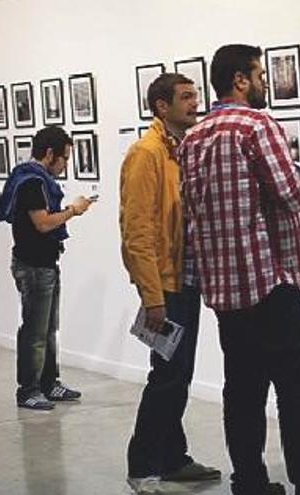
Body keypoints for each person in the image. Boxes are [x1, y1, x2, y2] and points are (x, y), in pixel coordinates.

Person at [178, 44, 300, 495]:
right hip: (272, 284)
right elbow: (295, 195)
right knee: (298, 394)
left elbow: (190, 209)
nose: (265, 84)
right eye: (260, 75)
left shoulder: (192, 138)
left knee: (243, 393)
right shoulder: (257, 126)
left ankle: (249, 482)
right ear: (240, 80)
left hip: (227, 293)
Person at [119, 73, 221, 493]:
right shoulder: (146, 154)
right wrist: (152, 294)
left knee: (178, 374)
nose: (195, 103)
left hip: (187, 280)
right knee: (167, 377)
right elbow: (137, 231)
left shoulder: (178, 150)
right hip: (168, 286)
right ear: (162, 106)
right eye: (186, 97)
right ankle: (142, 466)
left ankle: (173, 457)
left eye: (196, 95)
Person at [0, 126, 94, 410]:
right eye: (64, 158)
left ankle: (50, 384)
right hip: (34, 266)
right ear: (50, 154)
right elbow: (43, 223)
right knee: (35, 333)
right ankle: (28, 390)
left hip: (45, 264)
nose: (65, 165)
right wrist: (74, 210)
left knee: (49, 330)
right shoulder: (32, 183)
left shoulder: (32, 178)